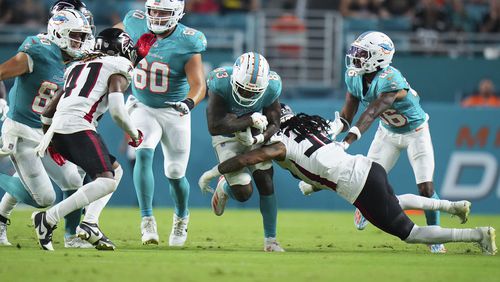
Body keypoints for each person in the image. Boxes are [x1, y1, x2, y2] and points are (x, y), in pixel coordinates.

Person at [198, 105, 497, 256]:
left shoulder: (279, 145)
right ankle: (453, 205)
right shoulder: (312, 127)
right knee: (392, 203)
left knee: (412, 234)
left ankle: (478, 235)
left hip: (357, 185)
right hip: (367, 166)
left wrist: (216, 171)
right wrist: (314, 182)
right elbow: (329, 141)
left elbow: (248, 159)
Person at [330, 31, 446, 253]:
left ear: (379, 57)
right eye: (356, 51)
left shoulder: (391, 78)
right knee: (368, 183)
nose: (356, 57)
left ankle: (436, 236)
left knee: (426, 188)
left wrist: (347, 142)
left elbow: (372, 112)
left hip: (416, 132)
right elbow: (347, 114)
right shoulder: (354, 75)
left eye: (362, 53)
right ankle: (365, 209)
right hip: (387, 133)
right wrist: (334, 129)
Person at [32, 27, 145, 251]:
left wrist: (50, 138)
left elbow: (47, 112)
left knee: (115, 171)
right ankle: (48, 219)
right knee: (106, 179)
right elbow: (117, 111)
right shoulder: (118, 68)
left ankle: (90, 223)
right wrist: (134, 133)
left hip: (60, 128)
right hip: (78, 125)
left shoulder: (77, 66)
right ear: (123, 49)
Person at [113, 0, 207, 246]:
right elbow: (112, 37)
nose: (155, 16)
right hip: (143, 106)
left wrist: (189, 103)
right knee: (142, 154)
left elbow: (199, 85)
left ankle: (181, 218)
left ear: (177, 14)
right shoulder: (134, 22)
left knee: (175, 173)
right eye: (153, 10)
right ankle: (147, 220)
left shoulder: (188, 40)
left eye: (163, 12)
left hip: (173, 111)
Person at [0, 9, 92, 248]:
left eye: (82, 37)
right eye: (75, 36)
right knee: (44, 199)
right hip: (21, 130)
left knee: (72, 178)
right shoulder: (38, 50)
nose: (79, 42)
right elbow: (1, 72)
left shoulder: (73, 59)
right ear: (58, 32)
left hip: (46, 133)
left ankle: (71, 237)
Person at [206, 52, 284, 252]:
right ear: (234, 79)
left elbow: (275, 123)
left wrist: (258, 138)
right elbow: (215, 126)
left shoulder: (273, 86)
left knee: (266, 182)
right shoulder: (220, 81)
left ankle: (271, 241)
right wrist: (249, 120)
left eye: (254, 91)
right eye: (243, 90)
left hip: (255, 134)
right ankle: (224, 188)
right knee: (243, 193)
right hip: (226, 136)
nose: (248, 95)